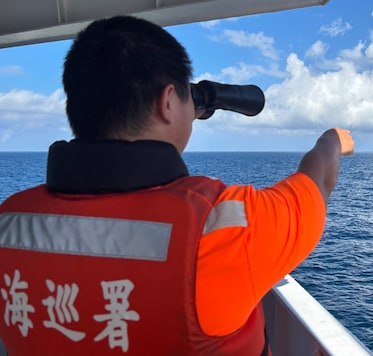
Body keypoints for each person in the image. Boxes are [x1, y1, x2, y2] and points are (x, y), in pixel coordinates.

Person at [0, 15, 354, 355]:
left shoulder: (10, 221)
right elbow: (318, 176)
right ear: (168, 102)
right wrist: (333, 140)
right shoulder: (223, 231)